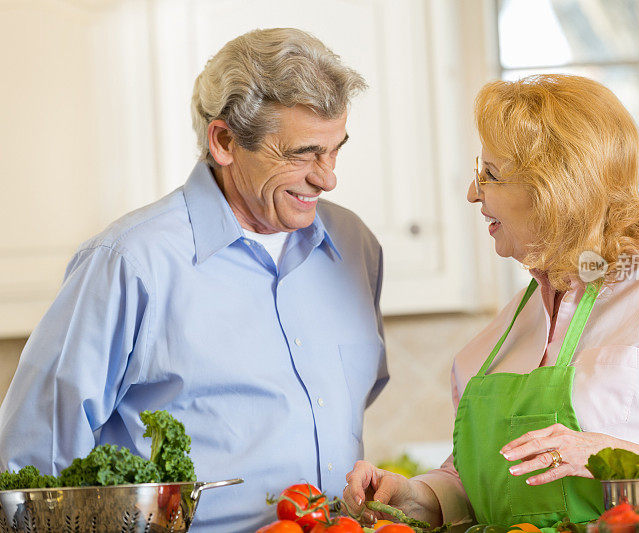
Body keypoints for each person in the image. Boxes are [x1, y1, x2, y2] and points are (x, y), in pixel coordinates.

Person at [343, 75, 639, 532]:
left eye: (490, 176)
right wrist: (416, 496)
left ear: (555, 190)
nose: (473, 194)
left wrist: (613, 460)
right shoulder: (501, 334)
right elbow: (483, 486)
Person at [0, 28, 387, 532]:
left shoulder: (355, 245)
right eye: (302, 153)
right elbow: (30, 474)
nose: (328, 176)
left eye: (335, 149)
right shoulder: (129, 262)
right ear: (224, 141)